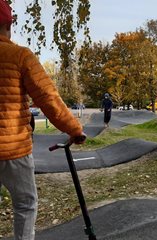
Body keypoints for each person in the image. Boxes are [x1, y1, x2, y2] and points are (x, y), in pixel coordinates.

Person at [0, 1, 86, 239]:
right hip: (13, 149)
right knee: (25, 205)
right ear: (8, 24)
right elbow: (48, 98)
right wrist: (74, 129)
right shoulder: (19, 56)